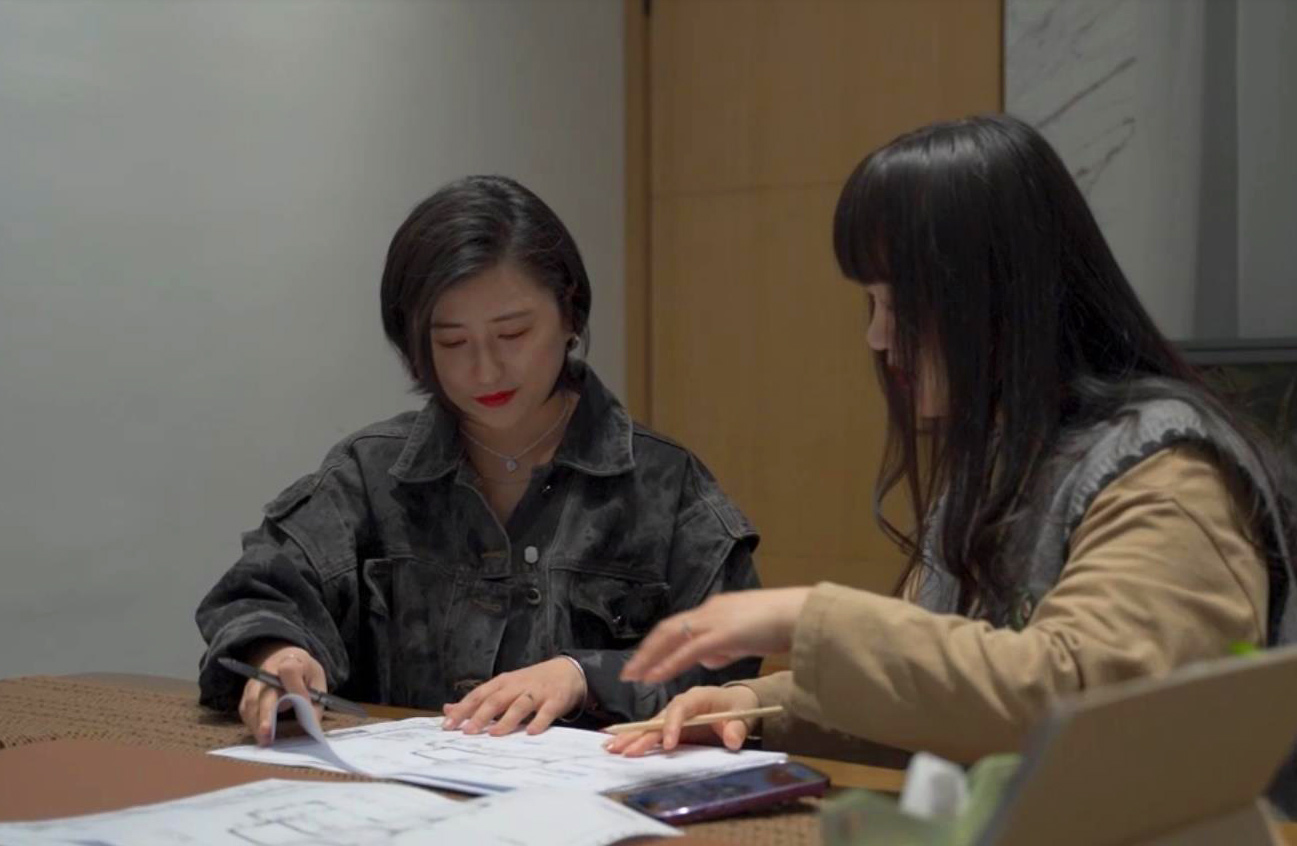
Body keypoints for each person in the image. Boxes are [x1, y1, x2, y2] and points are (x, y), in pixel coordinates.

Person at [606, 115, 1297, 810]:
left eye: (900, 302)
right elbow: (947, 688)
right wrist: (751, 707)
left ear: (1001, 293)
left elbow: (1087, 702)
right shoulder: (1002, 456)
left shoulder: (1169, 470)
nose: (878, 336)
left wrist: (809, 617)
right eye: (872, 302)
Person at [196, 175, 761, 745]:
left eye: (512, 334)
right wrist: (279, 652)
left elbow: (732, 671)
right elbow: (260, 593)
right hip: (396, 790)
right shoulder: (371, 475)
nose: (485, 370)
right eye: (452, 343)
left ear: (569, 314)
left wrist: (586, 676)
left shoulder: (663, 487)